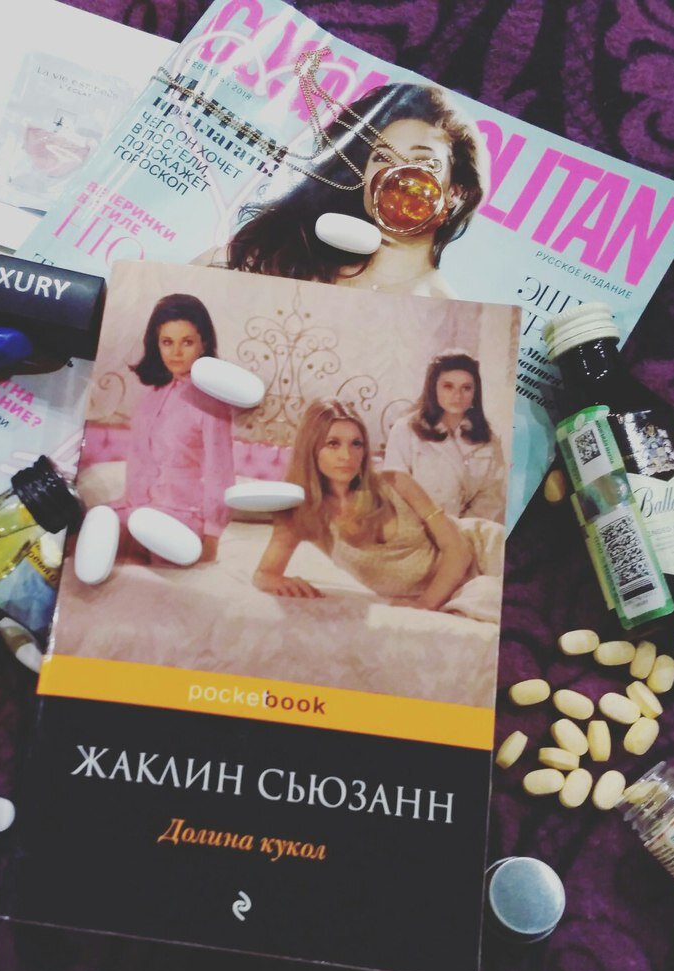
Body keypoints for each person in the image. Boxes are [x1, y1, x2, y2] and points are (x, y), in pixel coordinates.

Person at [201, 82, 486, 298]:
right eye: (382, 158)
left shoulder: (444, 309)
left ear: (456, 192)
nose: (397, 175)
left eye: (423, 161)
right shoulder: (286, 255)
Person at [252, 398, 475, 610]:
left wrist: (425, 604)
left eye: (356, 444)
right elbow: (264, 573)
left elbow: (459, 549)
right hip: (460, 592)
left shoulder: (396, 482)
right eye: (333, 443)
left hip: (479, 553)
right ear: (311, 448)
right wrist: (276, 580)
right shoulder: (301, 513)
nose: (346, 455)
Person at [115, 294, 235, 562]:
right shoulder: (151, 396)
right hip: (139, 508)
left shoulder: (212, 401)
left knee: (145, 568)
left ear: (204, 344)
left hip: (184, 515)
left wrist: (212, 536)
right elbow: (137, 460)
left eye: (187, 342)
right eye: (167, 342)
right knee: (86, 535)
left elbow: (220, 472)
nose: (176, 352)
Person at [383, 351, 507, 523]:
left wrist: (460, 531)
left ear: (475, 392)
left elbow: (492, 497)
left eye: (466, 388)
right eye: (448, 386)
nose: (457, 396)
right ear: (433, 388)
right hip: (416, 527)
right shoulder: (406, 429)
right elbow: (396, 489)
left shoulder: (488, 439)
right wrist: (436, 527)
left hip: (470, 530)